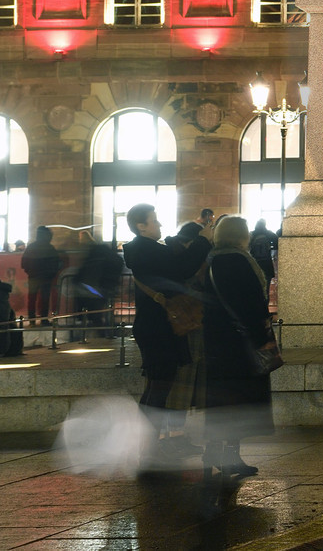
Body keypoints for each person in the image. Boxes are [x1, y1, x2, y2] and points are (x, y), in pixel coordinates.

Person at [123, 202, 210, 464]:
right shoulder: (145, 250)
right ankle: (148, 447)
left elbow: (175, 258)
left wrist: (195, 229)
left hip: (156, 326)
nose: (159, 224)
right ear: (141, 226)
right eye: (155, 220)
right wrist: (204, 242)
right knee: (158, 387)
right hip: (158, 327)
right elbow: (181, 267)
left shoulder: (144, 250)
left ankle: (149, 445)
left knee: (157, 385)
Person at [200, 215, 274, 479]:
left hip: (216, 341)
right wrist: (261, 336)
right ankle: (230, 456)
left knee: (221, 400)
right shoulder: (239, 261)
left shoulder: (212, 260)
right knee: (238, 400)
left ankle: (214, 451)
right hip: (239, 344)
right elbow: (251, 304)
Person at [72, 231, 125, 334]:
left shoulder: (94, 255)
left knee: (94, 315)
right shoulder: (106, 255)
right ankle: (105, 334)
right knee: (100, 313)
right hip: (100, 289)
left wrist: (76, 280)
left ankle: (100, 335)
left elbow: (86, 272)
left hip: (92, 289)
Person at [21, 225, 64, 325]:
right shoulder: (50, 247)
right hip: (46, 277)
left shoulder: (31, 247)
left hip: (33, 276)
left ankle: (32, 320)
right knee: (45, 299)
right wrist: (52, 273)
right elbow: (56, 262)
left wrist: (30, 271)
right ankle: (44, 319)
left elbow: (24, 263)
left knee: (32, 298)